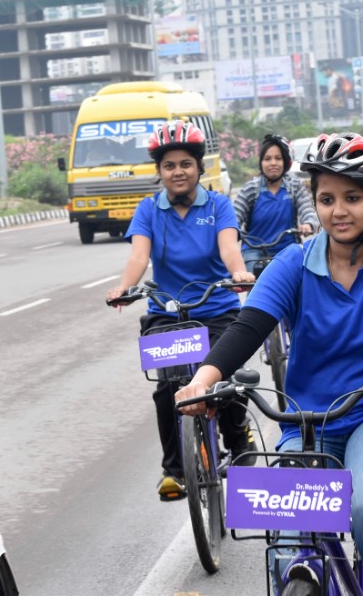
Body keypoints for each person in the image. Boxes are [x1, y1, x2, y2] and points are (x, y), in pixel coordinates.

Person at [175, 132, 363, 596]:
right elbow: (247, 328)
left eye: (353, 198)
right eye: (326, 199)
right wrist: (204, 379)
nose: (338, 211)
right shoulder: (294, 262)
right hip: (306, 422)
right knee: (285, 530)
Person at [106, 120, 256, 501]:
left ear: (199, 167)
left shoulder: (219, 205)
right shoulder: (148, 210)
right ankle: (174, 470)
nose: (178, 171)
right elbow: (140, 256)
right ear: (159, 171)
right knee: (168, 389)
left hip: (217, 306)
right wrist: (125, 287)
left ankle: (238, 436)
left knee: (229, 376)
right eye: (169, 165)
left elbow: (228, 249)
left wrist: (238, 273)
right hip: (166, 311)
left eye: (185, 164)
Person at [234, 134, 318, 273]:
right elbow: (235, 214)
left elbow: (307, 208)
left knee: (299, 284)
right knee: (252, 287)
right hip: (253, 251)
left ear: (285, 162)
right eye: (267, 159)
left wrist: (308, 224)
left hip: (287, 249)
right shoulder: (251, 188)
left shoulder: (294, 186)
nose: (273, 163)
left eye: (278, 158)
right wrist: (232, 230)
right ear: (261, 163)